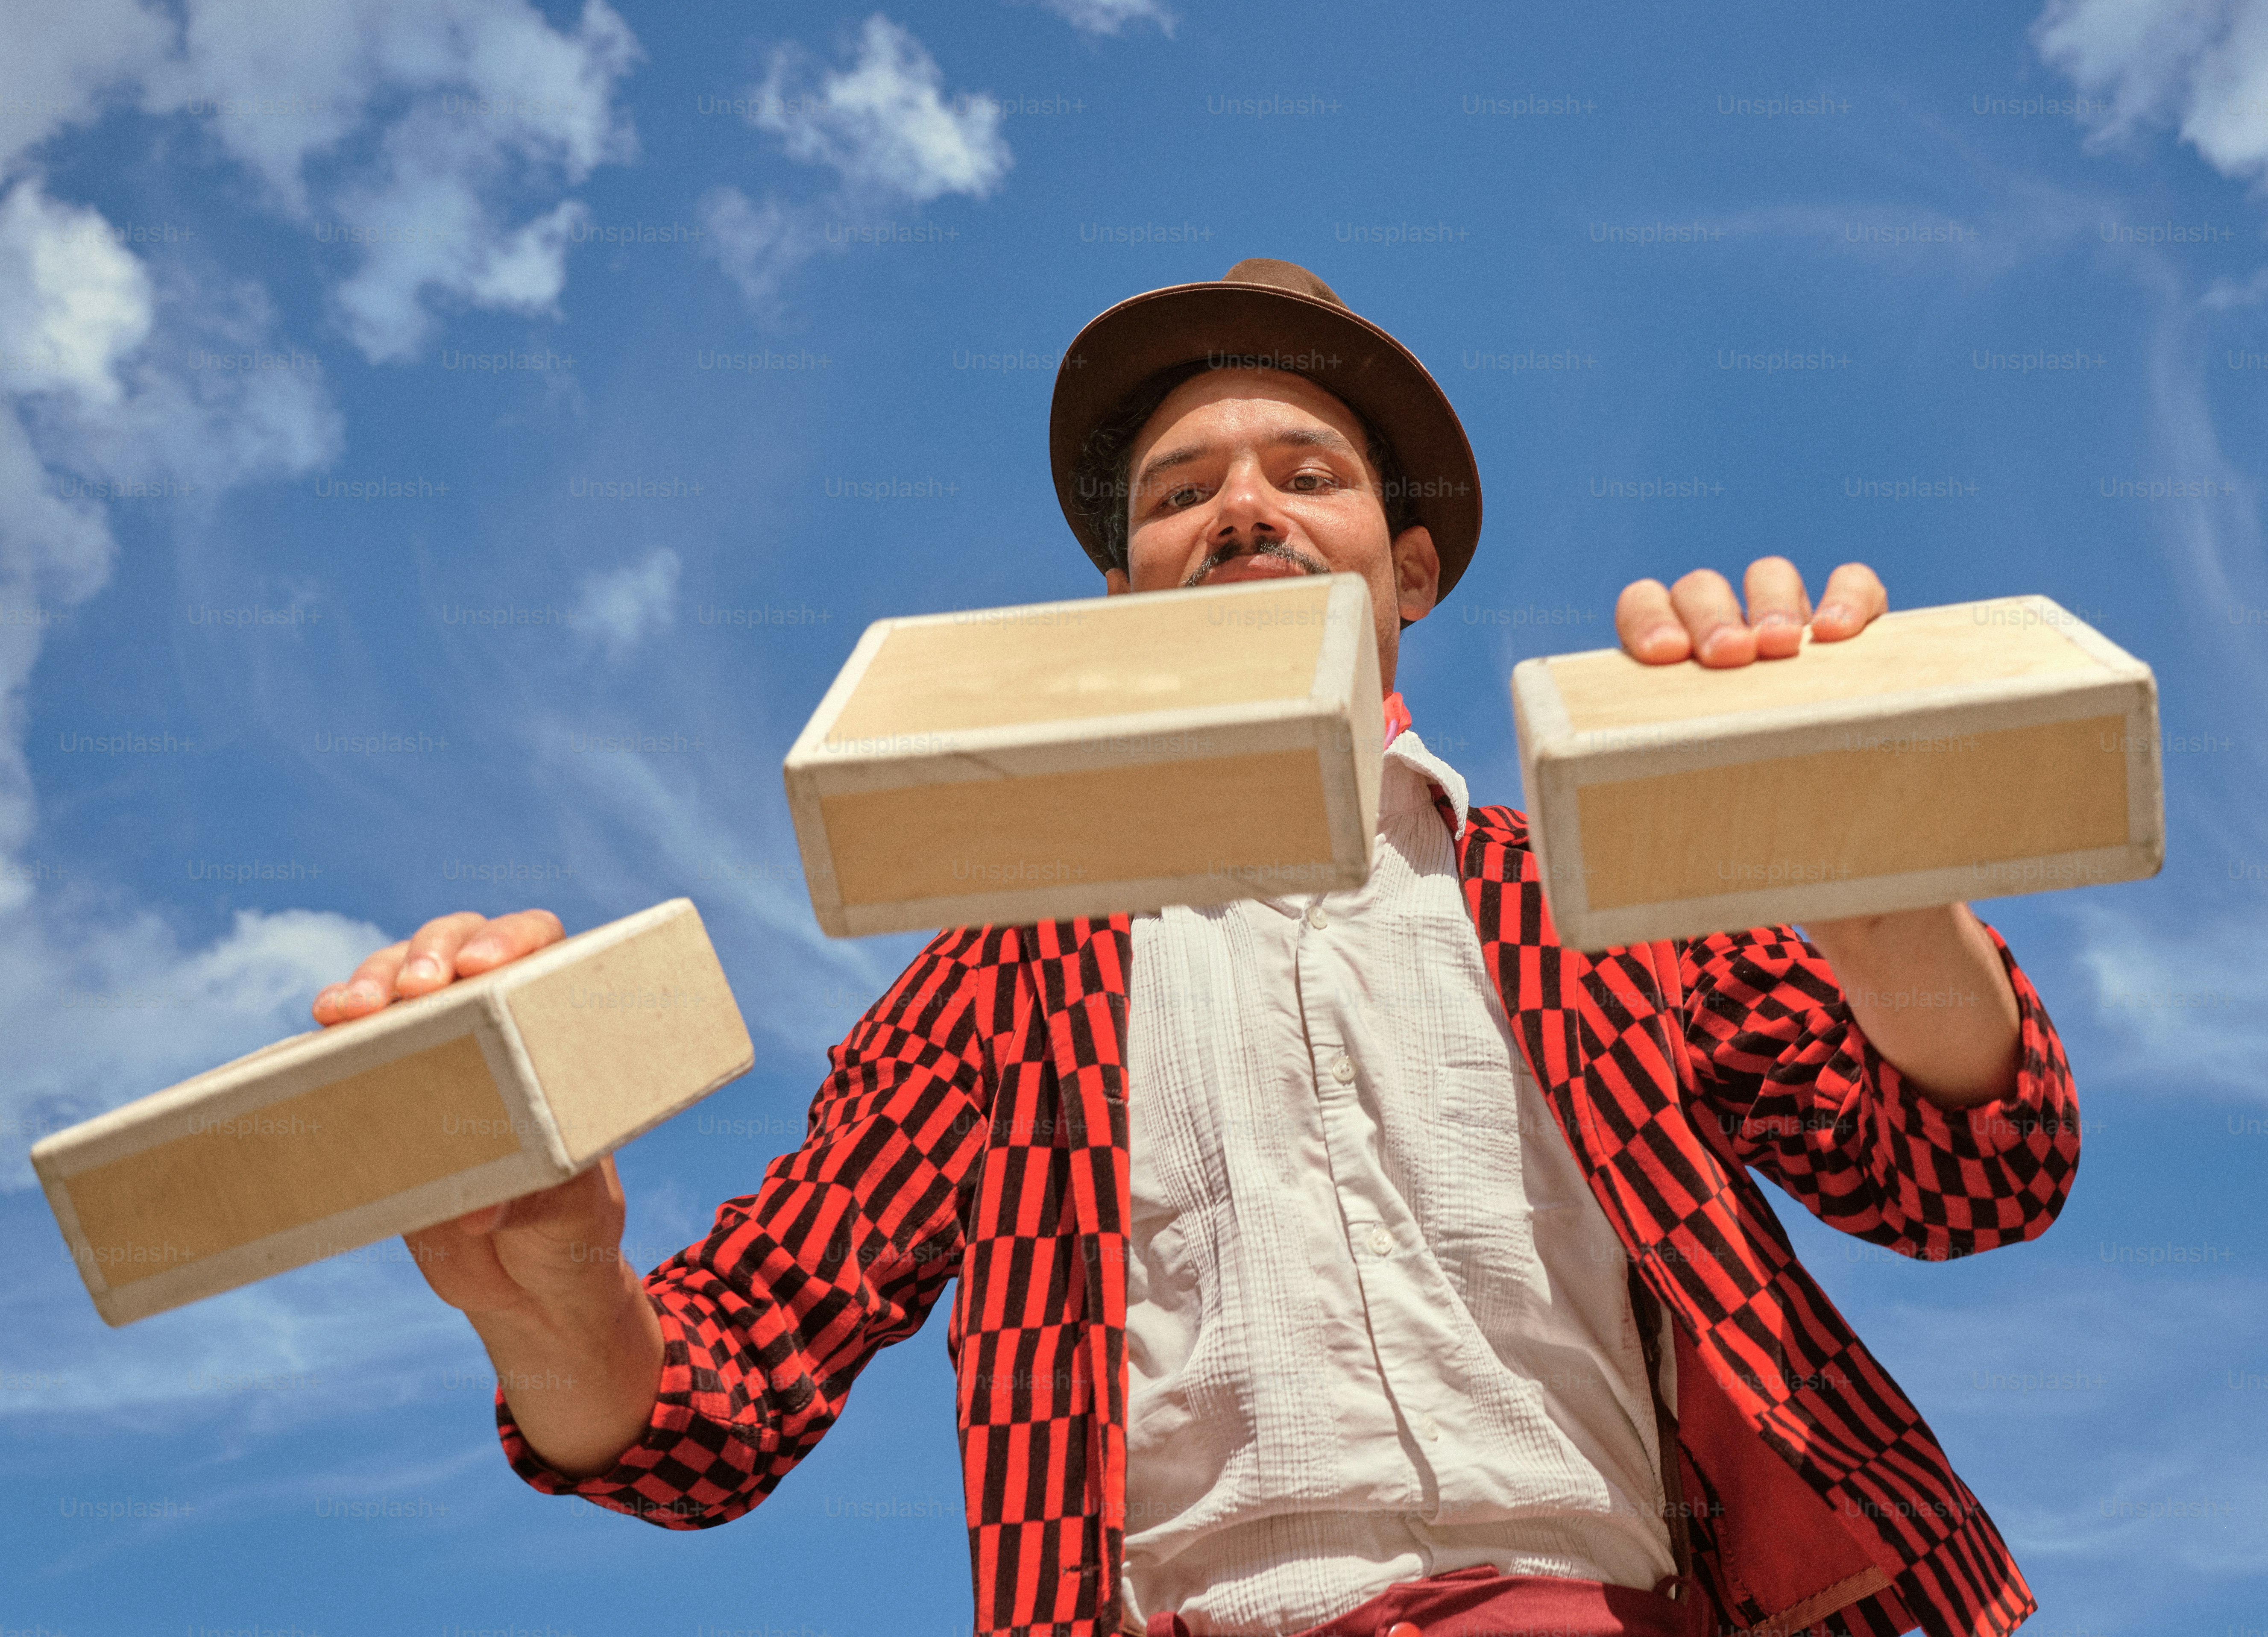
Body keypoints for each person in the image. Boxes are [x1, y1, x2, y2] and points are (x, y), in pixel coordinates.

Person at [314, 261, 2079, 1637]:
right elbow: (714, 1406)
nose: (1241, 508)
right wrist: (551, 1297)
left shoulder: (1590, 895)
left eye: (1306, 475)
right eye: (1177, 495)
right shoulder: (997, 986)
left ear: (1406, 574)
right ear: (1124, 596)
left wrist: (1877, 895)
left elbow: (1970, 1178)